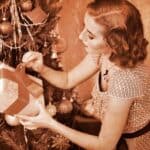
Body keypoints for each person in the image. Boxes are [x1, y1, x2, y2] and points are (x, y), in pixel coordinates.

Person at [17, 0, 150, 150]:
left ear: (114, 42)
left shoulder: (125, 81)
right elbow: (68, 80)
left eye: (91, 35)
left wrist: (49, 123)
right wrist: (41, 68)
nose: (81, 36)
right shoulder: (103, 54)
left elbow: (105, 145)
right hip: (113, 137)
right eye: (85, 27)